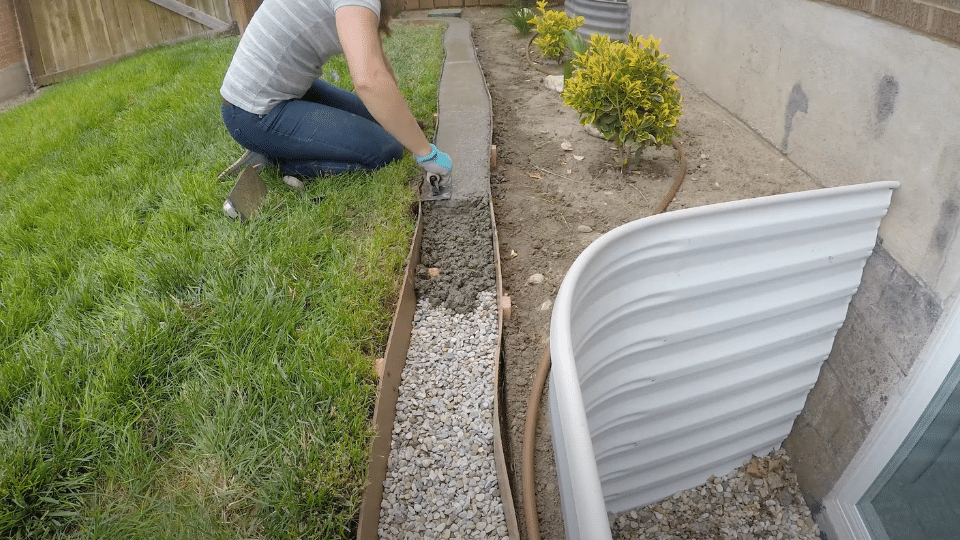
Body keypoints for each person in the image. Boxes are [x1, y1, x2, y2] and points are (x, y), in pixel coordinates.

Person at [218, 0, 452, 181]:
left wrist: (401, 115)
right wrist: (425, 153)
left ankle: (282, 143)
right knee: (384, 150)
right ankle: (280, 158)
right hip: (253, 113)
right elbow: (368, 80)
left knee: (385, 124)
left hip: (287, 92)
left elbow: (376, 58)